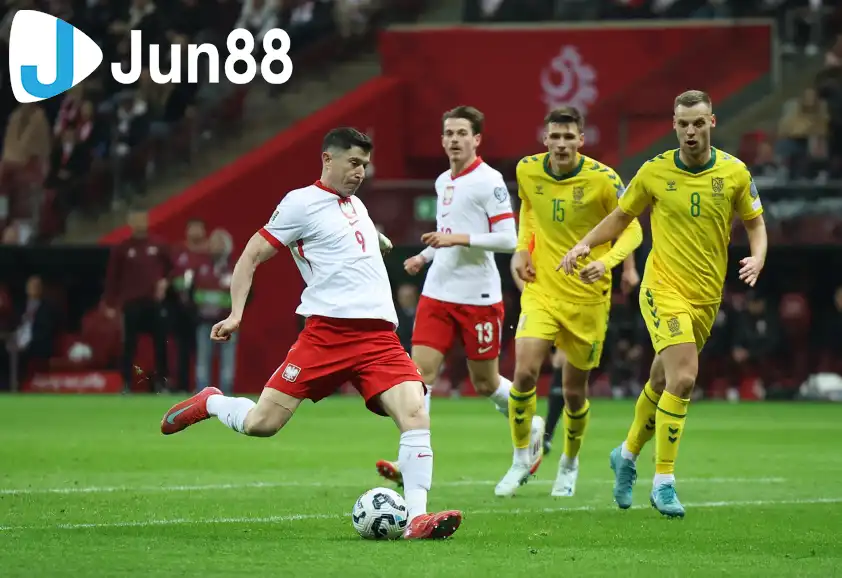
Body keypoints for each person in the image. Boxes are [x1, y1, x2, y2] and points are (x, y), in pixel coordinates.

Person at [160, 127, 462, 540]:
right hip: (326, 336)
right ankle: (211, 402)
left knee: (415, 413)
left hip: (379, 339)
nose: (360, 172)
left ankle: (416, 519)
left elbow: (348, 238)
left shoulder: (356, 204)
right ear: (327, 159)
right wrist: (235, 313)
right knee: (263, 423)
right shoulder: (300, 203)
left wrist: (377, 240)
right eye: (353, 163)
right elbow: (251, 255)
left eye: (364, 165)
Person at [560, 90, 767, 518]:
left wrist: (759, 256)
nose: (690, 131)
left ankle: (626, 454)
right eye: (683, 124)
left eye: (698, 123)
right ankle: (664, 482)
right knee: (685, 378)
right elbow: (621, 217)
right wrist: (585, 243)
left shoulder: (734, 172)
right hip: (663, 288)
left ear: (711, 123)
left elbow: (755, 223)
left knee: (661, 380)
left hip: (706, 296)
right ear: (674, 125)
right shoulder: (654, 171)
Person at [374, 105, 544, 489]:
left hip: (478, 295)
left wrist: (457, 240)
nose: (454, 139)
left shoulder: (490, 181)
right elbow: (446, 231)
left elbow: (509, 239)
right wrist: (424, 256)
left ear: (476, 139)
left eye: (462, 133)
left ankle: (529, 422)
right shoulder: (442, 181)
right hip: (437, 291)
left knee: (485, 382)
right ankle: (411, 460)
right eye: (449, 133)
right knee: (419, 375)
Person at [498, 107, 643, 498]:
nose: (561, 144)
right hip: (542, 289)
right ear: (545, 138)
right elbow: (529, 210)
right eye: (555, 136)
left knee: (574, 391)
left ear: (581, 139)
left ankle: (569, 462)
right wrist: (521, 249)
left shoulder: (604, 179)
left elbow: (633, 230)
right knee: (524, 373)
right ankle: (520, 458)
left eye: (569, 137)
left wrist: (608, 263)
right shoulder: (527, 170)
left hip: (587, 297)